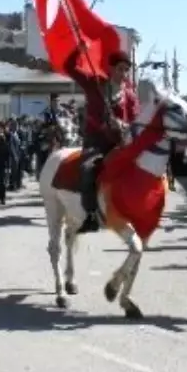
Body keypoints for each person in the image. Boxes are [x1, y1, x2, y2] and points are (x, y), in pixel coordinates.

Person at [66, 49, 138, 234]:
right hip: (96, 143)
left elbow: (135, 122)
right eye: (120, 69)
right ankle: (90, 215)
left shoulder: (129, 96)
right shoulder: (94, 85)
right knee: (87, 169)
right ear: (110, 68)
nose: (123, 74)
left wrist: (122, 124)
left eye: (126, 70)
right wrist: (79, 49)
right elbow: (70, 67)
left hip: (119, 143)